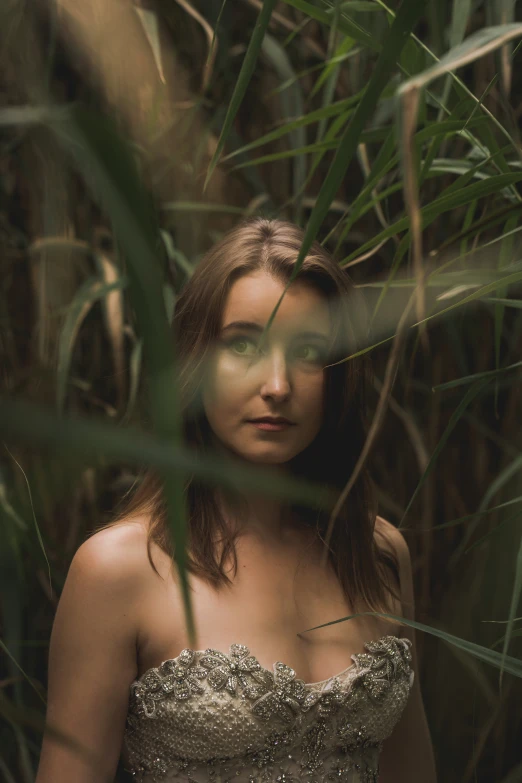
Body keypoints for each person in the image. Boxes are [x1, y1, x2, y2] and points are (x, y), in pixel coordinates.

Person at [35, 218, 437, 783]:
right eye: (243, 344)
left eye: (308, 351)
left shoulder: (377, 554)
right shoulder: (118, 570)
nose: (277, 384)